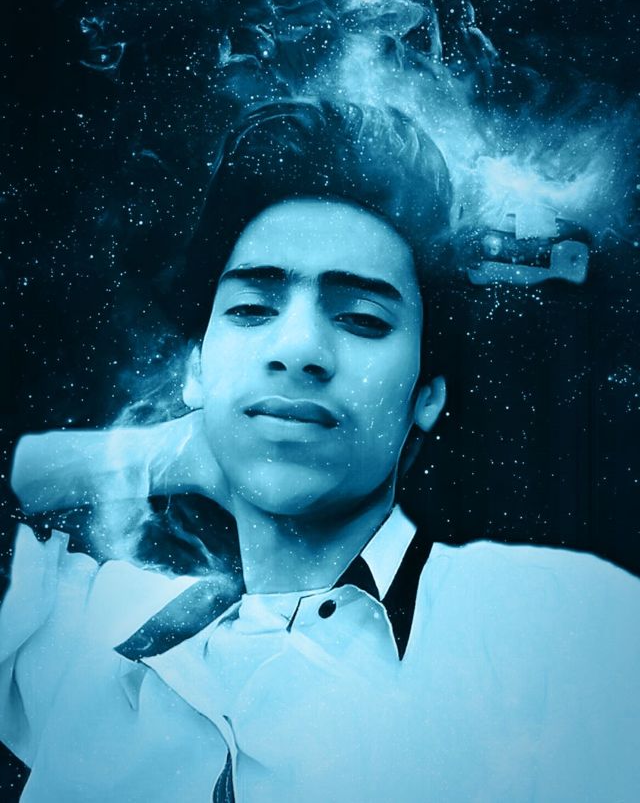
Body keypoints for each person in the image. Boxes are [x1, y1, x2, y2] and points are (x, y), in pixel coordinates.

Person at [2, 99, 639, 803]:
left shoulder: (562, 625)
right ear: (196, 369)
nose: (299, 347)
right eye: (252, 309)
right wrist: (161, 453)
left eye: (362, 318)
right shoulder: (91, 630)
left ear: (425, 394)